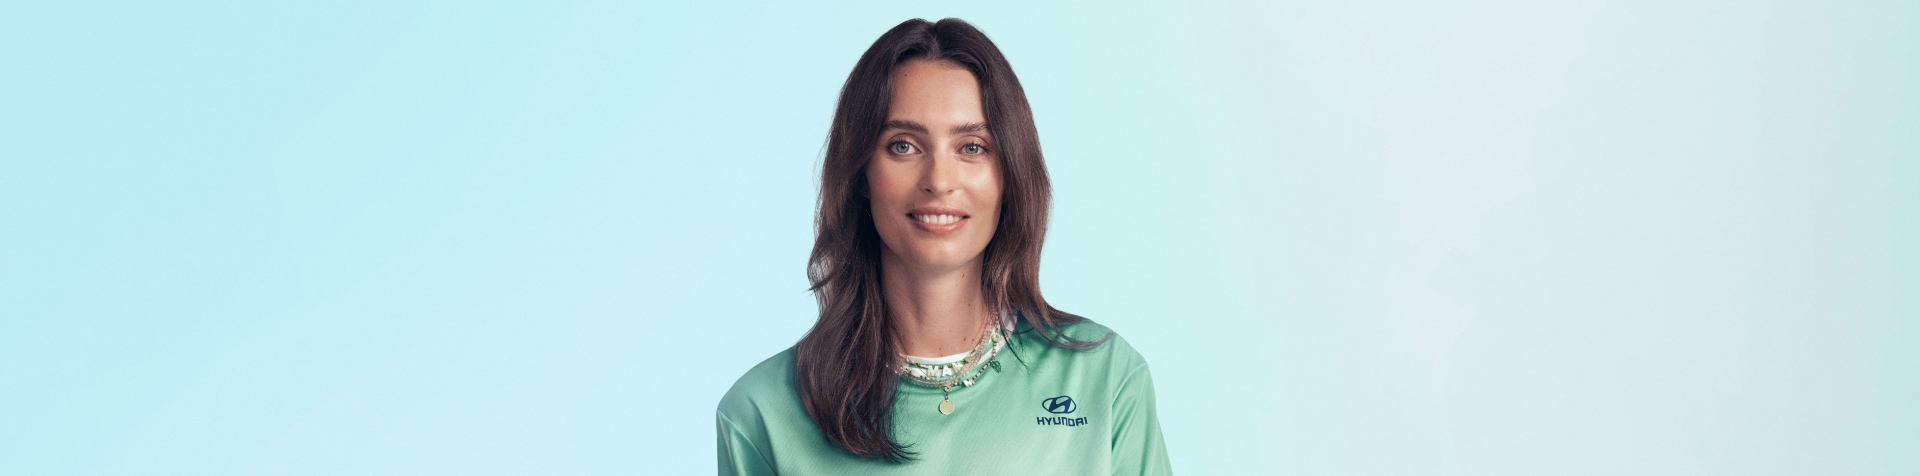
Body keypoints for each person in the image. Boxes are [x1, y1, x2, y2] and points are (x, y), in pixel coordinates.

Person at [716, 18, 1171, 475]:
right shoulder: (762, 413)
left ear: (1010, 174)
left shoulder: (1105, 378)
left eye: (972, 147)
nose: (938, 181)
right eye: (903, 146)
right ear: (860, 175)